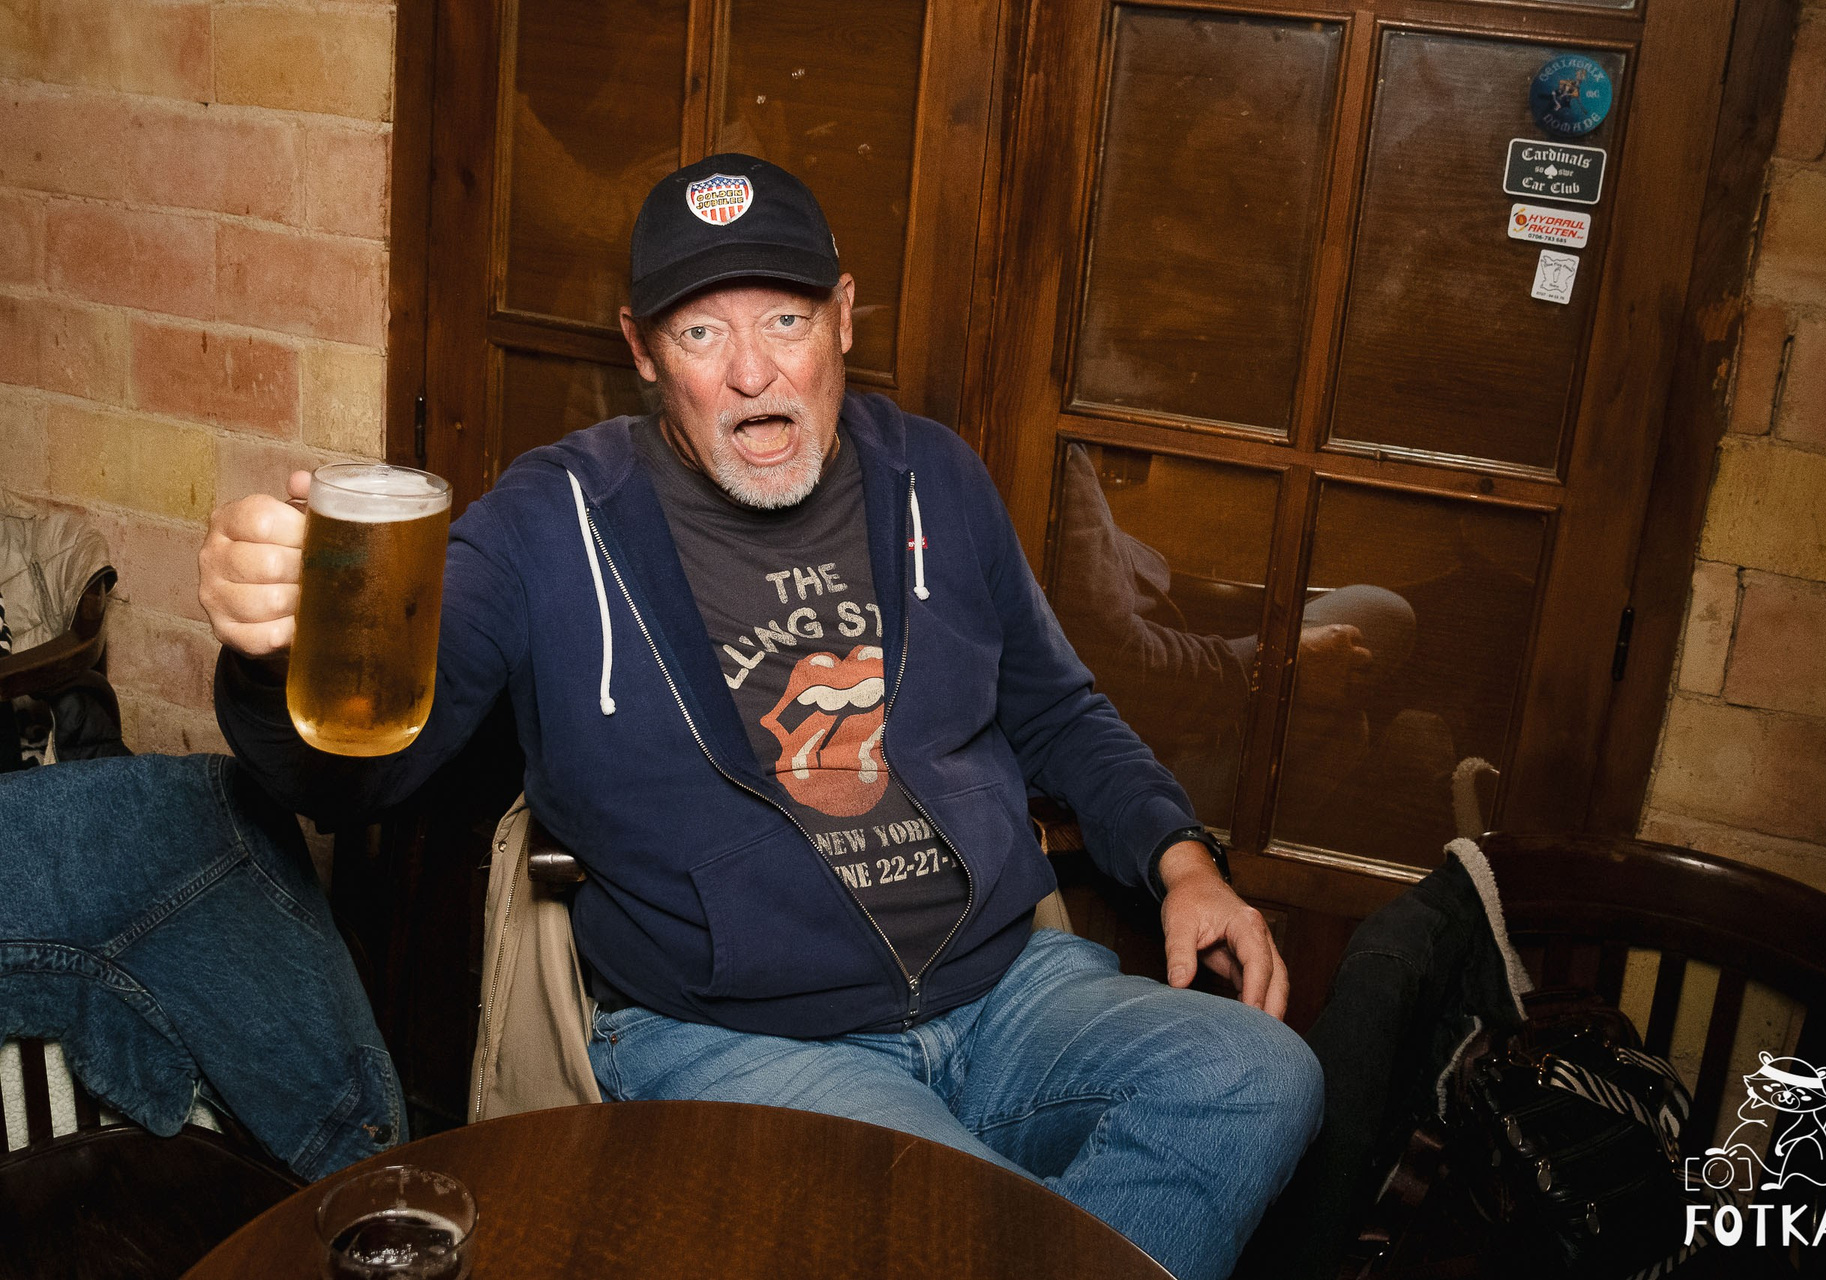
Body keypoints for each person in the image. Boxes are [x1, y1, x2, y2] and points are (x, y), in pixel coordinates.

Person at [200, 154, 1322, 1280]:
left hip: (1009, 993)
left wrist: (1183, 861)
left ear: (843, 317)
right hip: (741, 1038)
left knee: (1260, 1076)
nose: (751, 373)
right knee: (963, 1225)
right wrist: (272, 656)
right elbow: (357, 774)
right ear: (643, 351)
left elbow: (1061, 710)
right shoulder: (550, 518)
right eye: (701, 333)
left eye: (786, 319)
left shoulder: (933, 476)